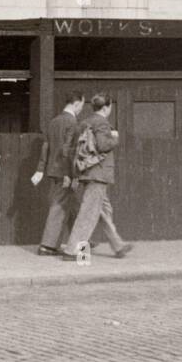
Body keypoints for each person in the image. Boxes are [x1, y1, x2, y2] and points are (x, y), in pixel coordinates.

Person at [61, 93, 133, 260]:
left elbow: (70, 148)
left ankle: (118, 245)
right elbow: (102, 145)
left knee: (104, 210)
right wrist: (114, 138)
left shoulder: (84, 122)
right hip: (98, 173)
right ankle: (72, 251)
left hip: (87, 171)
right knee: (88, 213)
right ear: (106, 107)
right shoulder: (102, 123)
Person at [33, 90, 85, 256]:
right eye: (81, 106)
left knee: (72, 205)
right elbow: (67, 151)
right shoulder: (73, 123)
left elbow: (46, 147)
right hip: (65, 172)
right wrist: (72, 175)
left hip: (54, 170)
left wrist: (41, 169)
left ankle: (82, 241)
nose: (81, 110)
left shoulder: (54, 122)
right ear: (76, 104)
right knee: (59, 206)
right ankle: (47, 245)